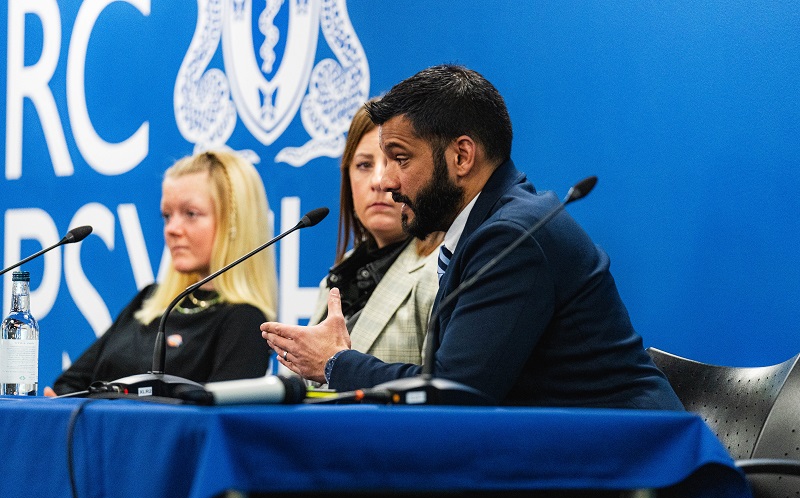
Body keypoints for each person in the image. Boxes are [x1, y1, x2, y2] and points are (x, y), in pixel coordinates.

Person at [261, 64, 683, 409]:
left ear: (461, 156)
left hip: (630, 478)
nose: (386, 182)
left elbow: (454, 392)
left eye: (400, 159)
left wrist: (337, 363)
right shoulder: (486, 228)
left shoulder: (513, 237)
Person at [48, 150, 278, 395]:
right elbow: (67, 386)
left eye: (191, 214)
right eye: (167, 216)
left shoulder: (244, 321)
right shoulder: (149, 300)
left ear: (235, 223)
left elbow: (215, 420)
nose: (172, 229)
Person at [305, 101, 441, 365]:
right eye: (365, 165)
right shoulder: (340, 273)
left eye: (399, 161)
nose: (379, 181)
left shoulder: (440, 271)